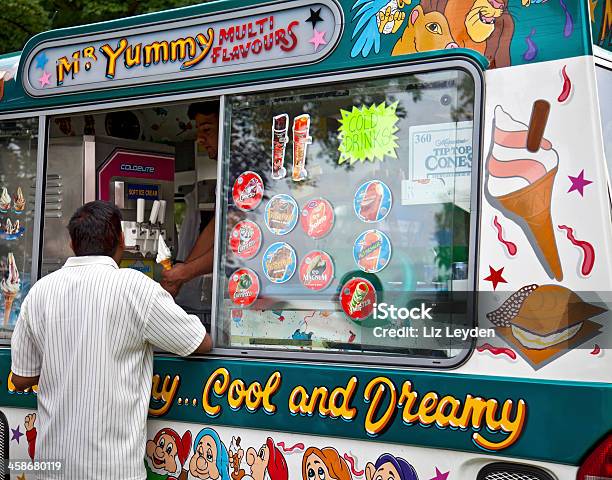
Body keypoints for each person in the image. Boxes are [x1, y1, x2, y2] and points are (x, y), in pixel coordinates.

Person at [10, 200, 212, 479]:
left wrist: (65, 361)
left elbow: (21, 378)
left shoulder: (39, 292)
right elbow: (199, 342)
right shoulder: (135, 287)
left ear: (72, 243)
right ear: (121, 240)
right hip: (111, 468)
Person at [161, 102, 218, 297]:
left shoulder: (246, 178)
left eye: (207, 130)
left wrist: (184, 273)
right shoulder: (228, 178)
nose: (201, 140)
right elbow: (215, 228)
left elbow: (231, 246)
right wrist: (181, 273)